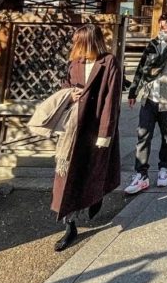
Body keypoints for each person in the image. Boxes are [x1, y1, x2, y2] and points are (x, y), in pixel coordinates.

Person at [50, 25, 122, 252]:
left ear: (91, 42)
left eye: (80, 42)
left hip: (95, 126)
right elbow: (66, 86)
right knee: (67, 177)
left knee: (93, 171)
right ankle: (69, 225)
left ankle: (95, 197)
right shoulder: (75, 63)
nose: (76, 47)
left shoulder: (109, 62)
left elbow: (112, 99)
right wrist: (69, 94)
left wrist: (105, 133)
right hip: (73, 129)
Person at [124, 14, 167, 195]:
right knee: (143, 135)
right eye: (160, 27)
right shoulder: (152, 45)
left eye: (165, 28)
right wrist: (133, 91)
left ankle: (164, 167)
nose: (161, 30)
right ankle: (141, 174)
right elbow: (141, 68)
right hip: (149, 97)